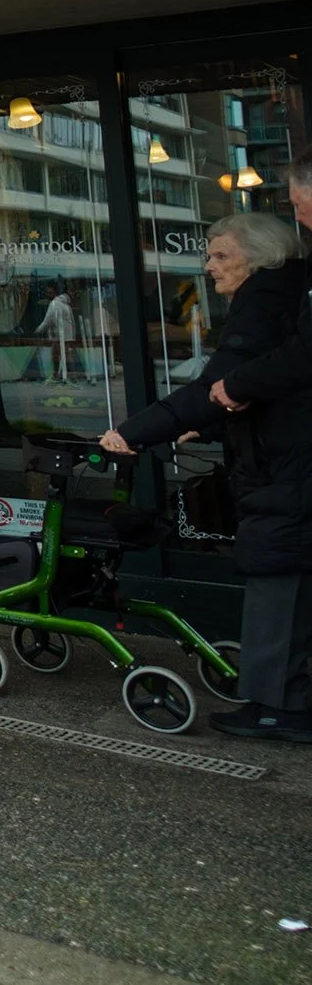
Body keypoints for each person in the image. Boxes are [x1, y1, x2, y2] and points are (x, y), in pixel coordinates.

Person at [183, 166, 312, 741]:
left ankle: (275, 707)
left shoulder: (266, 304)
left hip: (288, 471)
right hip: (284, 463)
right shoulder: (281, 297)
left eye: (297, 200)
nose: (208, 267)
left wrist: (138, 431)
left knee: (277, 579)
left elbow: (269, 375)